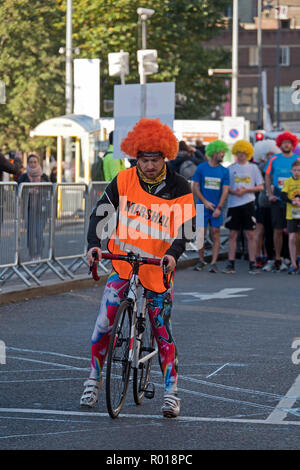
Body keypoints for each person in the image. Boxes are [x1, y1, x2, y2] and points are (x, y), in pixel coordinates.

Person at [80, 118, 196, 418]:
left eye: (154, 160)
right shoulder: (123, 179)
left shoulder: (179, 186)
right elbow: (101, 214)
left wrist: (173, 254)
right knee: (103, 324)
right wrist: (95, 244)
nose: (148, 166)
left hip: (158, 268)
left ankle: (171, 393)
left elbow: (186, 229)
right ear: (136, 157)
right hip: (123, 264)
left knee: (162, 332)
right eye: (143, 160)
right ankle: (93, 379)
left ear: (165, 157)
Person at [223, 140, 264, 274]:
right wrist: (233, 191)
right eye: (239, 153)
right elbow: (226, 187)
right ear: (236, 153)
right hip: (233, 204)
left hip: (248, 204)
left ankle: (252, 262)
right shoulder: (231, 168)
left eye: (244, 153)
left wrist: (246, 190)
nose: (242, 155)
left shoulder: (253, 168)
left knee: (250, 234)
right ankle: (231, 263)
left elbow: (261, 186)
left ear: (248, 154)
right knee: (232, 234)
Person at [192, 140, 230, 273]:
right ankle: (201, 260)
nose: (223, 155)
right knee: (200, 234)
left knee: (216, 233)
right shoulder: (201, 168)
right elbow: (195, 186)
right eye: (221, 153)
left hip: (216, 208)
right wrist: (205, 201)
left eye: (224, 153)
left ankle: (213, 262)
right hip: (202, 206)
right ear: (214, 153)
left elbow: (225, 190)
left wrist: (218, 207)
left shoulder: (224, 171)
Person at [264, 131, 300, 272]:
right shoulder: (274, 158)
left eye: (289, 143)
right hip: (278, 200)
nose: (286, 145)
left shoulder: (298, 158)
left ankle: (294, 258)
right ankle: (278, 259)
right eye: (284, 143)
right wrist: (269, 193)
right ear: (280, 144)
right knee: (277, 229)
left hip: (295, 203)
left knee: (295, 232)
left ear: (293, 144)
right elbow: (267, 176)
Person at [253, 140, 280, 270]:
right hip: (262, 202)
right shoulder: (259, 167)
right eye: (267, 154)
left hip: (275, 202)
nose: (269, 156)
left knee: (273, 231)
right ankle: (258, 256)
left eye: (272, 154)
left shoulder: (277, 166)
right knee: (260, 230)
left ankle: (270, 256)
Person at [18, 154, 49, 259]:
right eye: (31, 162)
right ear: (28, 163)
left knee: (39, 232)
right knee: (30, 234)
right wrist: (27, 191)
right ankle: (32, 255)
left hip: (41, 209)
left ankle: (39, 253)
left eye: (35, 162)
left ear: (38, 163)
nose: (33, 164)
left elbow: (50, 191)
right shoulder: (24, 177)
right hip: (29, 209)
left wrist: (40, 190)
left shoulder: (44, 177)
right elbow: (18, 192)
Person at [280, 160, 300, 274]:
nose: (297, 172)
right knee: (292, 237)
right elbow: (283, 195)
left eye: (299, 170)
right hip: (291, 214)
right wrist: (292, 201)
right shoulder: (288, 182)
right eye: (295, 170)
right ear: (291, 171)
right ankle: (293, 263)